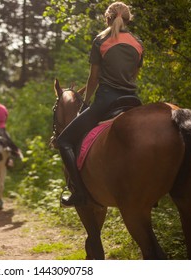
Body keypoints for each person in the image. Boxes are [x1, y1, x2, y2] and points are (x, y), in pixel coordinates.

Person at [58, 2, 144, 207]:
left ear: (107, 18)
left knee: (64, 141)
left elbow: (93, 78)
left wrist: (85, 103)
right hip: (132, 100)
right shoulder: (138, 43)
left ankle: (79, 192)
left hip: (106, 101)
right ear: (128, 20)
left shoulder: (101, 40)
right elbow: (133, 75)